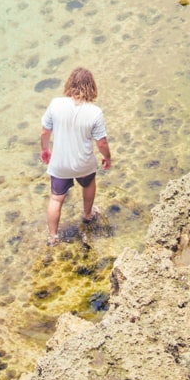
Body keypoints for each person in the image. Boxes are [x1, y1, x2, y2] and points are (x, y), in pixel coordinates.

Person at [40, 66, 111, 246]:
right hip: (83, 163)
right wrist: (107, 157)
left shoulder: (55, 104)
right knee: (88, 183)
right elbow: (101, 143)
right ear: (92, 87)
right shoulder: (95, 112)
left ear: (69, 83)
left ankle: (53, 237)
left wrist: (45, 150)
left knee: (56, 199)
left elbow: (44, 132)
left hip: (60, 164)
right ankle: (87, 215)